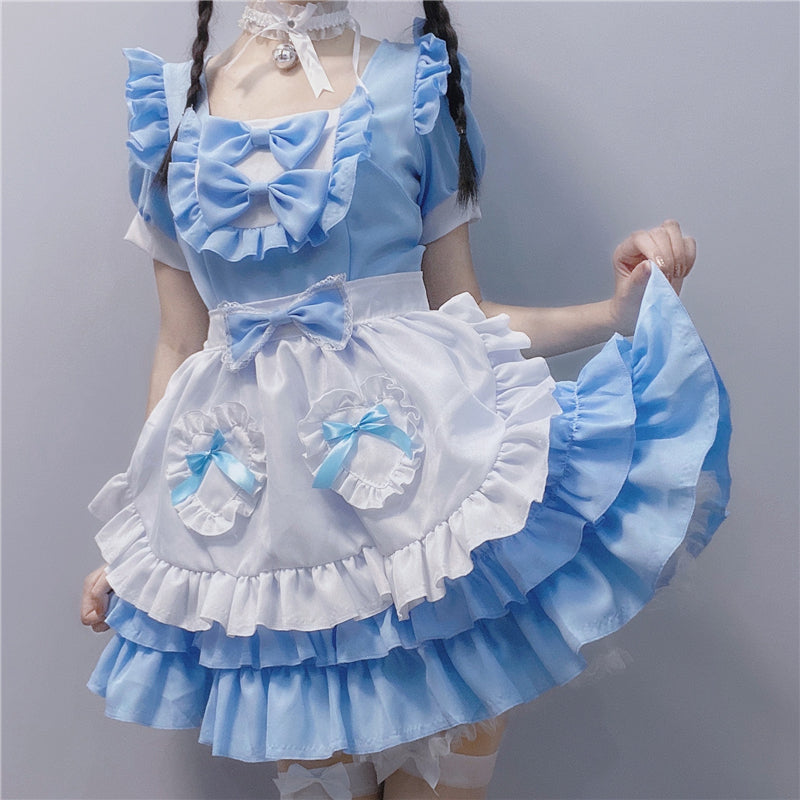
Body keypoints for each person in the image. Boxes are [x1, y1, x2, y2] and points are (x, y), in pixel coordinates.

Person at [80, 1, 731, 797]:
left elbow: (465, 315)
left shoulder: (414, 85)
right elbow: (181, 347)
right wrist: (138, 539)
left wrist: (613, 315)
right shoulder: (171, 114)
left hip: (428, 515)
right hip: (266, 542)